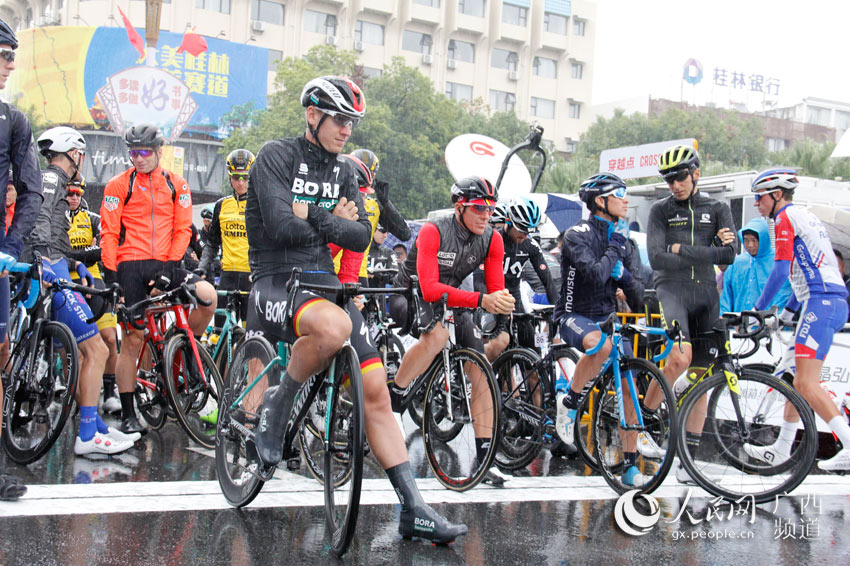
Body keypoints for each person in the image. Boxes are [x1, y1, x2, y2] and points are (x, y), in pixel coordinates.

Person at [245, 75, 466, 543]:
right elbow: (281, 227)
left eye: (353, 122)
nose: (347, 130)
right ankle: (277, 402)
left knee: (376, 391)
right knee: (333, 326)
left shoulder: (346, 171)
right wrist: (328, 222)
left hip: (324, 283)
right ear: (312, 115)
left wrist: (312, 217)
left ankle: (414, 507)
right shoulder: (275, 156)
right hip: (274, 279)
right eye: (340, 120)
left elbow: (360, 236)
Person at [388, 176, 515, 486]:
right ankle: (396, 393)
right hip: (410, 293)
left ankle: (484, 459)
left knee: (479, 367)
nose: (487, 215)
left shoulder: (492, 239)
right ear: (460, 207)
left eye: (491, 209)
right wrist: (482, 300)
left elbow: (495, 292)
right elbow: (430, 289)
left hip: (452, 298)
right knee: (438, 336)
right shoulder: (434, 231)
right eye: (479, 208)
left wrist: (501, 311)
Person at [101, 124, 216, 435]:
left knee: (208, 297)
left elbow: (183, 231)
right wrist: (113, 278)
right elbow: (109, 234)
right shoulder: (117, 185)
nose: (138, 159)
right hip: (129, 266)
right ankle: (128, 412)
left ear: (158, 152)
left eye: (144, 153)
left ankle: (180, 351)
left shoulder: (177, 184)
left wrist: (169, 267)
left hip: (165, 262)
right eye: (133, 153)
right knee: (133, 340)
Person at [31, 127, 137, 456]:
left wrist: (73, 263)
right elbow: (39, 223)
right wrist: (47, 264)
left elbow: (53, 233)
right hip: (51, 272)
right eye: (81, 154)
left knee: (82, 354)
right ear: (73, 154)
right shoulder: (52, 180)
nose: (82, 160)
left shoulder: (57, 182)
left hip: (60, 266)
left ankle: (97, 426)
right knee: (98, 350)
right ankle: (88, 432)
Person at [645, 144, 737, 484]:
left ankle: (689, 461)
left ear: (696, 173)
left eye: (680, 177)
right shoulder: (660, 210)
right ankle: (646, 418)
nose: (674, 185)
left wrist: (682, 248)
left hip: (705, 294)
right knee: (681, 358)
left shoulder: (718, 207)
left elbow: (729, 255)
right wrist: (708, 251)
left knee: (703, 377)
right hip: (671, 289)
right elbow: (657, 258)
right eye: (669, 180)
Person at [747, 168, 850, 471]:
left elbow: (780, 271)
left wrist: (757, 309)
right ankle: (781, 448)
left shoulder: (784, 218)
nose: (756, 203)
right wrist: (789, 311)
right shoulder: (804, 216)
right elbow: (806, 273)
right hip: (824, 300)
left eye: (760, 197)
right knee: (792, 376)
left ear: (777, 195)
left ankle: (847, 440)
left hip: (821, 302)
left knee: (805, 381)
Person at [552, 173, 647, 486]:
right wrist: (615, 249)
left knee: (630, 390)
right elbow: (594, 275)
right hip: (573, 315)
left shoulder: (623, 240)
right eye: (620, 193)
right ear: (600, 201)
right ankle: (569, 403)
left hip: (607, 319)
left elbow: (638, 296)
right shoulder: (577, 234)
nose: (626, 200)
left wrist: (627, 279)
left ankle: (630, 464)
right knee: (601, 346)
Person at [0, 18, 44, 501]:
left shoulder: (13, 120)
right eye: (4, 53)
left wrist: (8, 250)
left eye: (14, 55)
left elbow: (30, 192)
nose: (11, 64)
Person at [65, 178, 121, 414]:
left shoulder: (92, 219)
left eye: (78, 193)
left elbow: (103, 249)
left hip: (93, 279)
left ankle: (109, 393)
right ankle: (73, 390)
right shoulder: (55, 217)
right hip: (65, 279)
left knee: (109, 338)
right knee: (74, 343)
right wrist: (84, 253)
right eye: (70, 193)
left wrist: (74, 255)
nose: (74, 197)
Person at [478, 196, 559, 354]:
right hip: (491, 297)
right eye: (522, 228)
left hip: (514, 299)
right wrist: (488, 304)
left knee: (533, 360)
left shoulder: (530, 245)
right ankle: (473, 372)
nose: (525, 234)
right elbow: (479, 280)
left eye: (529, 230)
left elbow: (547, 281)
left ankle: (510, 377)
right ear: (508, 221)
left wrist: (558, 310)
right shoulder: (491, 240)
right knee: (500, 344)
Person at [199, 149, 254, 324]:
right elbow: (212, 243)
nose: (240, 182)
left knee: (249, 332)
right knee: (220, 330)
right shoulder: (221, 205)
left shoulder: (258, 205)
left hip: (250, 276)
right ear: (230, 176)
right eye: (236, 177)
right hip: (227, 276)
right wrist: (202, 267)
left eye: (245, 177)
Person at [720, 216, 791, 313]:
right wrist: (725, 318)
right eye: (746, 240)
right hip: (740, 325)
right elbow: (727, 297)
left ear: (763, 239)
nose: (750, 245)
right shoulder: (736, 263)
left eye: (754, 240)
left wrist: (773, 319)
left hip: (768, 324)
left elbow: (783, 295)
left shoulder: (779, 263)